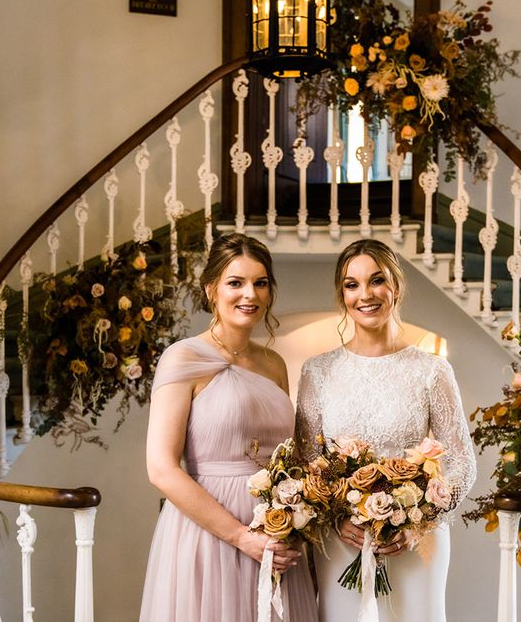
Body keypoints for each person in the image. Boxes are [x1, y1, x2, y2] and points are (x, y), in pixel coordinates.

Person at [294, 238, 476, 622]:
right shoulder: (317, 371)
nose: (365, 295)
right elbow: (308, 460)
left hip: (414, 543)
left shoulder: (431, 371)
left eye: (377, 280)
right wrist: (336, 518)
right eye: (352, 284)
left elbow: (462, 462)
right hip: (342, 539)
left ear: (396, 285)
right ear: (341, 294)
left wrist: (419, 521)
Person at [140, 233, 317, 621]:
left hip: (276, 534)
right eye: (235, 283)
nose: (248, 294)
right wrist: (242, 537)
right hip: (210, 532)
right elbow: (161, 469)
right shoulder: (183, 358)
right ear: (211, 290)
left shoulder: (274, 364)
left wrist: (294, 522)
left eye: (260, 282)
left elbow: (290, 458)